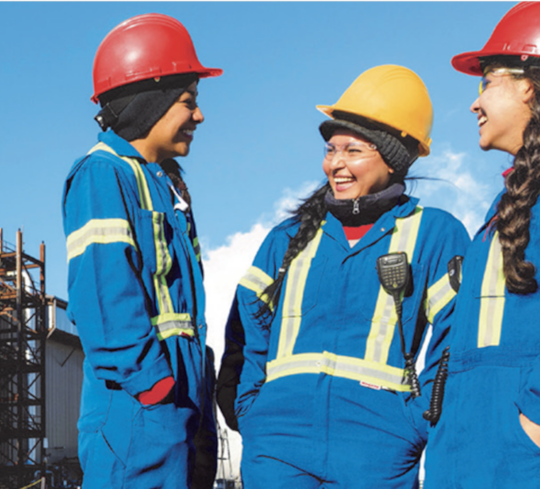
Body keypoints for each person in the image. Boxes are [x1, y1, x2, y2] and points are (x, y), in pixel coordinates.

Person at [218, 65, 468, 488]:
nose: (336, 164)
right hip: (277, 444)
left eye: (354, 151)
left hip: (380, 447)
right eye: (331, 150)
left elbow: (455, 341)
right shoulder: (289, 236)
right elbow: (246, 328)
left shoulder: (434, 233)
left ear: (392, 159)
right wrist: (251, 410)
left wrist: (417, 421)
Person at [62, 13, 220, 489]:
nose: (199, 115)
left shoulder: (165, 185)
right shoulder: (101, 173)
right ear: (148, 103)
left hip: (179, 407)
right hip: (140, 413)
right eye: (188, 101)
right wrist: (155, 389)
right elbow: (103, 294)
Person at [426, 2, 540, 486]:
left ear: (531, 85)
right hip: (468, 455)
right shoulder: (506, 203)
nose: (474, 103)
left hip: (515, 459)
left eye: (487, 82)